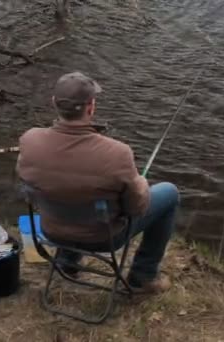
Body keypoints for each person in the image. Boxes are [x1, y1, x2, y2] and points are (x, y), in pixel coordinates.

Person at [16, 71, 179, 294]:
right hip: (103, 239)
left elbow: (30, 185)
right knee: (169, 193)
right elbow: (136, 208)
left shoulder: (29, 140)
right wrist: (140, 184)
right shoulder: (118, 153)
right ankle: (143, 276)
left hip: (51, 231)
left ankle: (67, 263)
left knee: (64, 192)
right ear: (91, 107)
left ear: (54, 103)